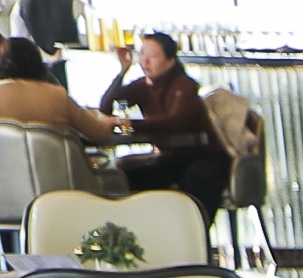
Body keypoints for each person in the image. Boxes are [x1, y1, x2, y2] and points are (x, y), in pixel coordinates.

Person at [98, 30, 228, 216]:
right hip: (171, 159)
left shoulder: (185, 85)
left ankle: (195, 232)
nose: (145, 61)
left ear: (170, 60)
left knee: (197, 177)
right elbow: (106, 106)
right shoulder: (143, 85)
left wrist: (130, 124)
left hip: (204, 157)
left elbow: (174, 123)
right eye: (142, 54)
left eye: (152, 56)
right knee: (125, 178)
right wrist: (123, 71)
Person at [0, 39, 123, 144]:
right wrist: (106, 120)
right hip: (56, 187)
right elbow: (98, 132)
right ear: (37, 62)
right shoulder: (55, 95)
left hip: (0, 189)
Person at [11, 0, 81, 91]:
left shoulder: (22, 2)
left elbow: (18, 41)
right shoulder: (75, 4)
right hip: (66, 72)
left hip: (33, 72)